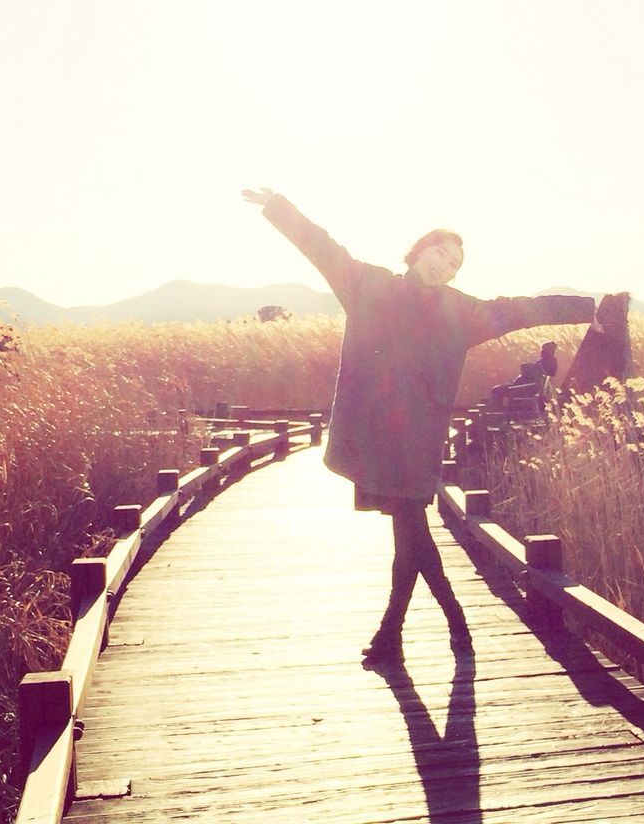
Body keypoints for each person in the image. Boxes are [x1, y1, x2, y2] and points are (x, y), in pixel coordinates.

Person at [242, 188, 606, 668]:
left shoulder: (462, 312)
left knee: (410, 536)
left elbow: (520, 309)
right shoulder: (368, 286)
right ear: (417, 250)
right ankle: (435, 630)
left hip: (416, 443)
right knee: (412, 538)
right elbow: (322, 247)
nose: (445, 265)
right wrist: (278, 207)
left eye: (455, 263)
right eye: (440, 252)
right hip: (374, 438)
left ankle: (411, 633)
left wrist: (588, 306)